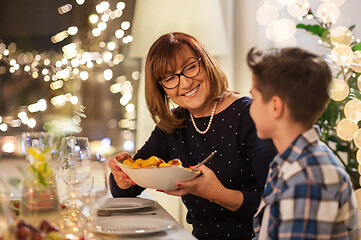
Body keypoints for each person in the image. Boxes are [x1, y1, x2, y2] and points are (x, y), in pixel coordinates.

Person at [108, 32, 277, 240]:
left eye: (190, 67)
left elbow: (278, 205)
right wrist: (123, 177)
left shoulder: (250, 116)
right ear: (162, 89)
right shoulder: (173, 125)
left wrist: (218, 194)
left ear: (205, 63)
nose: (186, 83)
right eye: (170, 78)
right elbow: (125, 191)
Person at [246, 47, 359, 239]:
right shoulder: (290, 162)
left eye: (254, 98)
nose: (250, 107)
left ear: (275, 106)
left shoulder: (307, 180)